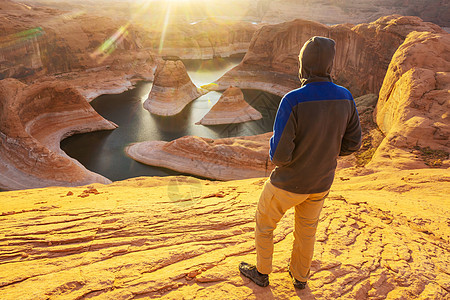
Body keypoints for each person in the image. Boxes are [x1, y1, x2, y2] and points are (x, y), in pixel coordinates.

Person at [239, 36, 362, 289]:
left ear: (303, 64)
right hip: (321, 183)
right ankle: (300, 277)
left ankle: (262, 272)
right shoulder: (346, 97)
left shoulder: (292, 100)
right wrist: (323, 153)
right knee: (306, 231)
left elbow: (280, 156)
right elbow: (353, 145)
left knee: (264, 224)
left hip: (288, 184)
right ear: (329, 64)